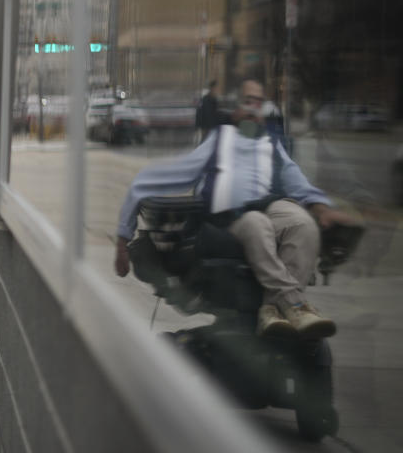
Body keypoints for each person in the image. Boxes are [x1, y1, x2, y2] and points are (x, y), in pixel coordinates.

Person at [114, 79, 354, 339]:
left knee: (303, 224)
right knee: (256, 223)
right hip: (227, 222)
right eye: (247, 101)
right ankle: (294, 306)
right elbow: (147, 182)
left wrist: (322, 208)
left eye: (259, 103)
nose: (253, 108)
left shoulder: (272, 144)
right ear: (235, 109)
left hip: (270, 211)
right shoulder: (219, 141)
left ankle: (272, 311)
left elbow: (299, 184)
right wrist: (122, 240)